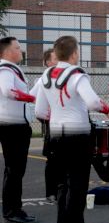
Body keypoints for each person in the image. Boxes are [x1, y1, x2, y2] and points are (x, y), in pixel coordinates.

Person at [35, 35, 109, 223]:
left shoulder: (46, 76)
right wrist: (107, 109)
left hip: (55, 135)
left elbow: (39, 110)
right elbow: (93, 102)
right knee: (78, 186)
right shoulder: (77, 75)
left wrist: (57, 118)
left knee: (62, 184)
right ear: (74, 54)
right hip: (77, 136)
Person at [0, 37, 36, 223]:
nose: (21, 50)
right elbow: (8, 91)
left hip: (17, 126)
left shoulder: (10, 69)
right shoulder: (5, 69)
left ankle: (15, 209)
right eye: (18, 47)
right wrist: (31, 99)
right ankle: (11, 211)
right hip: (12, 128)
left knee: (15, 171)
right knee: (14, 171)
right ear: (7, 51)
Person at [30, 48, 58, 203]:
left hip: (65, 123)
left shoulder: (64, 76)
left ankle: (61, 190)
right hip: (51, 122)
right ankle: (51, 192)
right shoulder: (43, 79)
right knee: (52, 160)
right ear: (48, 62)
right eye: (56, 58)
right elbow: (31, 96)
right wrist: (45, 112)